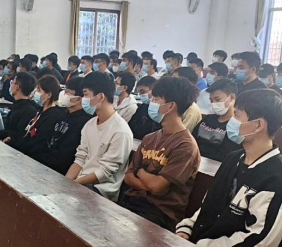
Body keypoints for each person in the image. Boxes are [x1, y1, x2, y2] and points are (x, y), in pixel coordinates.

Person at [177, 89, 282, 247]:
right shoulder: (233, 159)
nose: (231, 122)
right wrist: (186, 229)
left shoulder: (278, 179)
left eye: (237, 116)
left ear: (258, 125)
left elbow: (260, 242)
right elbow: (208, 205)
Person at [120, 77, 201, 231]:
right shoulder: (150, 138)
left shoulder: (185, 146)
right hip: (132, 201)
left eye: (156, 99)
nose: (152, 103)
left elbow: (157, 187)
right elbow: (128, 176)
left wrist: (140, 171)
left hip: (160, 213)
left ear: (170, 106)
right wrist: (147, 183)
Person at [66, 72, 134, 201]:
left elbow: (105, 172)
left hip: (101, 190)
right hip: (82, 183)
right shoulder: (90, 124)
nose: (83, 99)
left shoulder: (120, 131)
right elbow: (80, 158)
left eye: (86, 94)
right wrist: (65, 183)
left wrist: (73, 184)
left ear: (101, 97)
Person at [30, 75, 95, 175]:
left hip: (55, 171)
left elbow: (64, 156)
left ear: (78, 99)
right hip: (41, 163)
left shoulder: (83, 122)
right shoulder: (62, 114)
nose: (64, 95)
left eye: (68, 92)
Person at [10, 75, 66, 156]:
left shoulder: (53, 116)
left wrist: (15, 145)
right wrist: (12, 140)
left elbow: (37, 141)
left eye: (39, 90)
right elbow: (27, 133)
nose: (35, 92)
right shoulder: (41, 111)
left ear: (48, 95)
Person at [193, 78, 243, 162]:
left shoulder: (235, 126)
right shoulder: (207, 119)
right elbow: (193, 141)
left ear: (231, 97)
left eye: (218, 99)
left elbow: (227, 155)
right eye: (211, 100)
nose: (214, 103)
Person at [0, 72, 39, 141]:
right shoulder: (19, 105)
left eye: (12, 82)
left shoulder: (28, 110)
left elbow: (17, 134)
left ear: (17, 87)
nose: (10, 85)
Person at [174, 67, 203, 132]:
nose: (171, 82)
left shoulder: (191, 109)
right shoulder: (174, 103)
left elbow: (180, 134)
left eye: (175, 80)